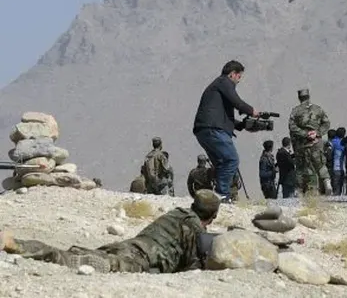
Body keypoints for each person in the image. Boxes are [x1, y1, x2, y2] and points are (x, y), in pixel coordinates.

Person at [1, 190, 221, 273]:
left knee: (78, 254)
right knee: (93, 263)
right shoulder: (193, 226)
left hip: (129, 245)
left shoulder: (177, 213)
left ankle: (19, 243)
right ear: (212, 216)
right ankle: (16, 246)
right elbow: (192, 264)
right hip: (141, 259)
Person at [192, 60, 257, 201]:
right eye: (239, 77)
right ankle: (222, 195)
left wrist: (242, 125)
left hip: (206, 130)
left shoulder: (217, 86)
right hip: (213, 130)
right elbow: (237, 102)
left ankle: (214, 198)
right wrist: (252, 111)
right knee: (231, 159)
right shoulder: (224, 82)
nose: (239, 81)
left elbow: (222, 116)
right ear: (232, 74)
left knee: (221, 163)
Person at [288, 88, 332, 195]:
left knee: (303, 166)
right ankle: (327, 182)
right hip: (317, 142)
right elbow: (326, 123)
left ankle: (300, 189)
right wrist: (316, 133)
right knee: (320, 163)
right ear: (308, 96)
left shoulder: (295, 111)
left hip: (302, 143)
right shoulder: (318, 109)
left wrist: (305, 134)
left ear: (299, 98)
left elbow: (292, 127)